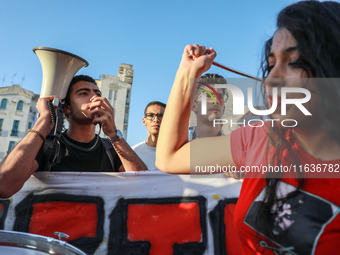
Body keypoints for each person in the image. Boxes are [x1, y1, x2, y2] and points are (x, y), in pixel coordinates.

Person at [156, 1, 340, 253]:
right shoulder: (261, 139)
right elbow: (169, 157)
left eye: (294, 61)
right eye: (272, 63)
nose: (272, 78)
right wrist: (187, 74)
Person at [0, 75, 147, 198]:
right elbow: (4, 185)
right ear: (67, 108)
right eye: (83, 93)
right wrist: (44, 120)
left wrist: (114, 134)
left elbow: (146, 188)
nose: (94, 97)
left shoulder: (112, 149)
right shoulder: (47, 147)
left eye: (97, 93)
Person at [189, 73, 228, 140]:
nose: (216, 101)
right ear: (194, 106)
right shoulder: (181, 145)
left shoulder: (234, 147)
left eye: (220, 97)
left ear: (223, 109)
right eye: (208, 96)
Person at [132, 101, 166, 170]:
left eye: (161, 116)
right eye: (150, 115)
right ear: (144, 121)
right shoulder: (133, 152)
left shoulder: (177, 152)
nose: (156, 120)